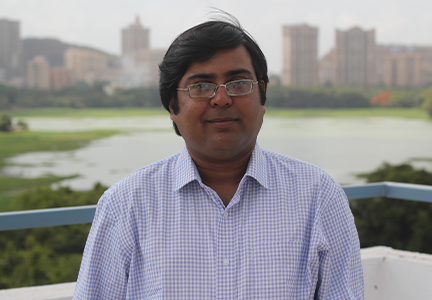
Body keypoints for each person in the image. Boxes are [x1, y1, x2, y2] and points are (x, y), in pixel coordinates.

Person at [73, 17, 364, 300]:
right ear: (172, 106)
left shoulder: (318, 196)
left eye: (238, 83)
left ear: (262, 96)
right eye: (201, 86)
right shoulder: (127, 205)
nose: (222, 99)